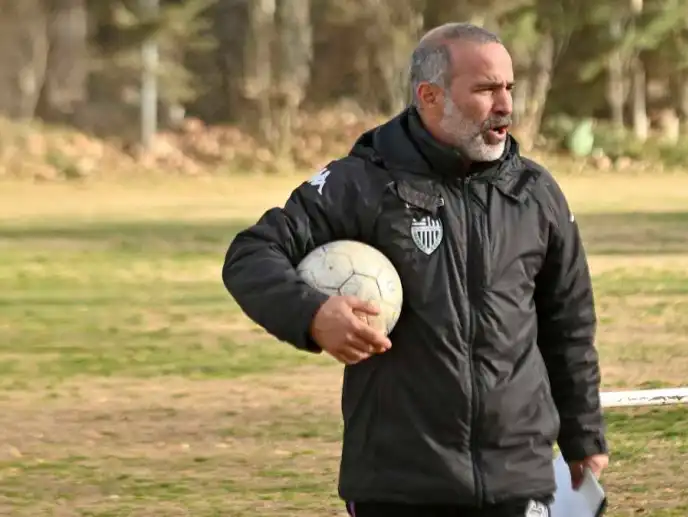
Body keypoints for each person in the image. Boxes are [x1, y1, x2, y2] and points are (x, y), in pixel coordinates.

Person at [222, 22, 608, 517]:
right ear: (430, 96)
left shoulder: (535, 193)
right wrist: (312, 315)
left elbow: (568, 322)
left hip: (518, 480)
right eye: (486, 89)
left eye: (509, 87)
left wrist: (582, 433)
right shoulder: (361, 183)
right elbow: (251, 254)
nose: (505, 105)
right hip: (399, 483)